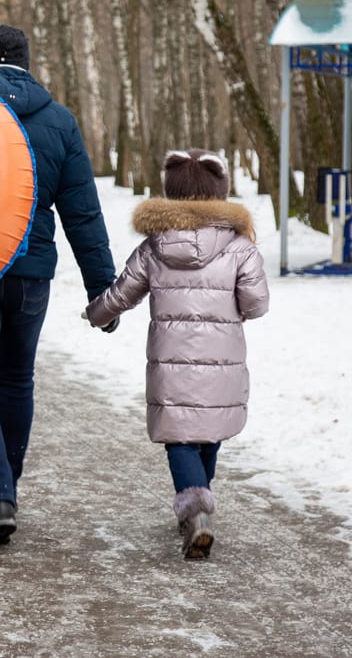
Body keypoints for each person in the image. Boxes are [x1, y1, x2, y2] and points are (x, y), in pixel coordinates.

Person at [0, 24, 117, 546]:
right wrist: (102, 290)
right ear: (26, 61)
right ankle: (7, 490)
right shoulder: (59, 121)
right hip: (30, 274)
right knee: (17, 380)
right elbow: (82, 212)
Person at [84, 149, 269, 559]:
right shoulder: (240, 248)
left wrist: (96, 314)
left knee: (180, 437)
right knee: (209, 431)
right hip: (222, 366)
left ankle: (196, 510)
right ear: (220, 189)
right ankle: (198, 506)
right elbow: (256, 305)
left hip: (171, 366)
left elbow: (122, 292)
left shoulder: (155, 246)